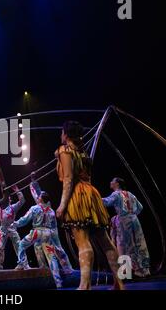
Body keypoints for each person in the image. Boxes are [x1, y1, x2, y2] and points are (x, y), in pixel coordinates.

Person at [55, 121, 124, 290]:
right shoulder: (84, 153)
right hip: (91, 193)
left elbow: (69, 179)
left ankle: (84, 285)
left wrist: (62, 206)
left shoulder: (66, 150)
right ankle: (120, 283)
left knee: (83, 241)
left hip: (77, 194)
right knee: (105, 241)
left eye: (62, 133)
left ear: (65, 134)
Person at [11, 177, 72, 288]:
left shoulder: (35, 208)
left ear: (40, 198)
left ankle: (21, 263)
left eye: (39, 196)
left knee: (21, 244)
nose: (37, 197)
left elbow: (25, 220)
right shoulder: (51, 211)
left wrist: (15, 224)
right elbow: (54, 226)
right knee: (51, 257)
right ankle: (58, 282)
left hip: (37, 232)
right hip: (48, 233)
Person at [103, 177, 151, 277]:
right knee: (139, 243)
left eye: (112, 181)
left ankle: (127, 273)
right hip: (134, 219)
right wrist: (132, 214)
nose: (110, 182)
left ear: (117, 184)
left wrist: (93, 198)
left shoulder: (116, 194)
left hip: (124, 220)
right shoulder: (130, 194)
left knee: (124, 245)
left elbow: (107, 202)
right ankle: (144, 270)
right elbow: (140, 207)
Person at [28, 172, 74, 274]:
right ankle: (43, 267)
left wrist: (33, 181)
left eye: (41, 196)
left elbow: (38, 192)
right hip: (44, 229)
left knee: (57, 248)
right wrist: (33, 181)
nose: (39, 196)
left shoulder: (46, 203)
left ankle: (67, 268)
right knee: (38, 246)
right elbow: (36, 193)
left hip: (52, 229)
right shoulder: (40, 203)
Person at [0, 181, 26, 270]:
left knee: (18, 245)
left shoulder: (13, 207)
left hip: (12, 228)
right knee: (0, 248)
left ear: (9, 200)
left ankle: (23, 263)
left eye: (8, 198)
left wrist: (17, 190)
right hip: (3, 229)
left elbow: (22, 200)